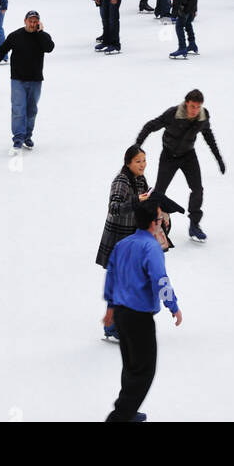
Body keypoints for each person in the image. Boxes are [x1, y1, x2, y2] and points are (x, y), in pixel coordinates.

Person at [102, 198, 182, 423]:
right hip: (139, 319)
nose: (162, 222)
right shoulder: (151, 247)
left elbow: (112, 276)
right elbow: (161, 280)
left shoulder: (123, 244)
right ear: (153, 223)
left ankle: (127, 410)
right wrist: (173, 306)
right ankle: (120, 416)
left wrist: (110, 309)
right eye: (160, 219)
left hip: (121, 315)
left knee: (131, 366)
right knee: (144, 371)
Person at [136, 89, 225, 242]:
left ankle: (194, 225)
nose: (195, 111)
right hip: (169, 156)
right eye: (192, 106)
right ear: (186, 104)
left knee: (197, 189)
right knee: (159, 191)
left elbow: (209, 137)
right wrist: (138, 146)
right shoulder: (172, 114)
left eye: (198, 107)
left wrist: (219, 159)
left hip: (188, 156)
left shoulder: (203, 117)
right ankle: (148, 224)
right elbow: (150, 126)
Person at [96, 145, 152, 340]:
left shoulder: (141, 179)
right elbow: (114, 207)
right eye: (138, 161)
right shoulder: (121, 182)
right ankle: (112, 327)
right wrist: (137, 200)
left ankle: (121, 323)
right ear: (128, 163)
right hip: (119, 239)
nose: (142, 165)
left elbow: (144, 203)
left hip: (132, 238)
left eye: (144, 160)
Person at [0, 10, 54, 149]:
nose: (32, 24)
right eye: (30, 21)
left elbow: (49, 48)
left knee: (31, 110)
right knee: (18, 109)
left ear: (39, 23)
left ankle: (27, 136)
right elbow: (2, 49)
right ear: (25, 21)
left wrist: (40, 32)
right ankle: (18, 137)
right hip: (18, 79)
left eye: (35, 21)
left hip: (36, 80)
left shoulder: (42, 37)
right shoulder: (16, 36)